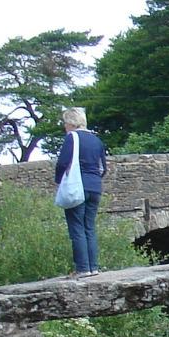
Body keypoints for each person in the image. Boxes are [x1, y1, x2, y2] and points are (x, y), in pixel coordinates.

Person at [54, 107, 108, 276]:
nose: (64, 126)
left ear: (71, 123)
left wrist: (59, 180)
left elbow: (62, 163)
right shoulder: (96, 140)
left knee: (77, 227)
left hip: (78, 187)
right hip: (95, 187)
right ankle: (93, 267)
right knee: (89, 227)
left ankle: (83, 268)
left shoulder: (72, 137)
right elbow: (103, 168)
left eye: (65, 123)